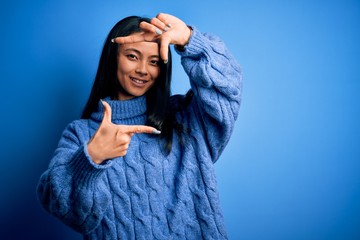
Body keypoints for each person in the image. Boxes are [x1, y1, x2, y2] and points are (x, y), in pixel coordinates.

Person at [37, 12, 242, 239]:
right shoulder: (81, 134)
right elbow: (65, 209)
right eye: (133, 56)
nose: (143, 70)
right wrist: (91, 159)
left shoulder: (187, 118)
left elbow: (229, 89)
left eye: (154, 61)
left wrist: (190, 40)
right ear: (112, 58)